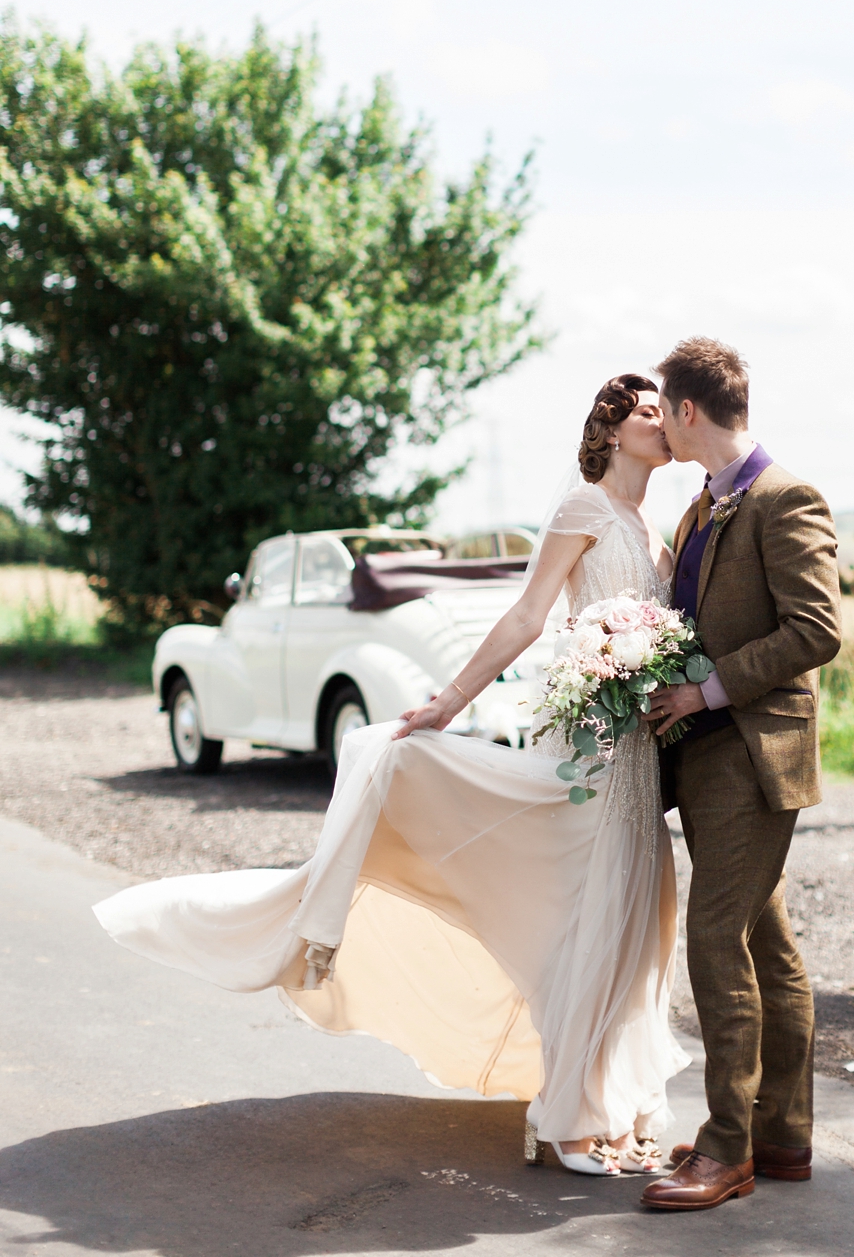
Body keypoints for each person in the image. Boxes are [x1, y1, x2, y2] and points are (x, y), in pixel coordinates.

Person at [94, 374, 688, 1177]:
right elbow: (525, 615)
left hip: (638, 753)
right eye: (650, 412)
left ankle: (607, 1101)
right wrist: (449, 700)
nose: (665, 423)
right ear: (613, 430)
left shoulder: (654, 530)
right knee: (582, 914)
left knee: (626, 913)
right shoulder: (583, 507)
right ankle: (566, 1123)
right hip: (585, 744)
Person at [637, 336, 841, 1213]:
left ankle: (726, 1153)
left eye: (663, 412)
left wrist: (707, 690)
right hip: (707, 757)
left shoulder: (786, 497)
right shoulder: (696, 509)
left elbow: (816, 629)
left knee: (715, 940)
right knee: (767, 946)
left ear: (688, 411)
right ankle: (781, 1136)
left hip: (757, 753)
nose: (661, 428)